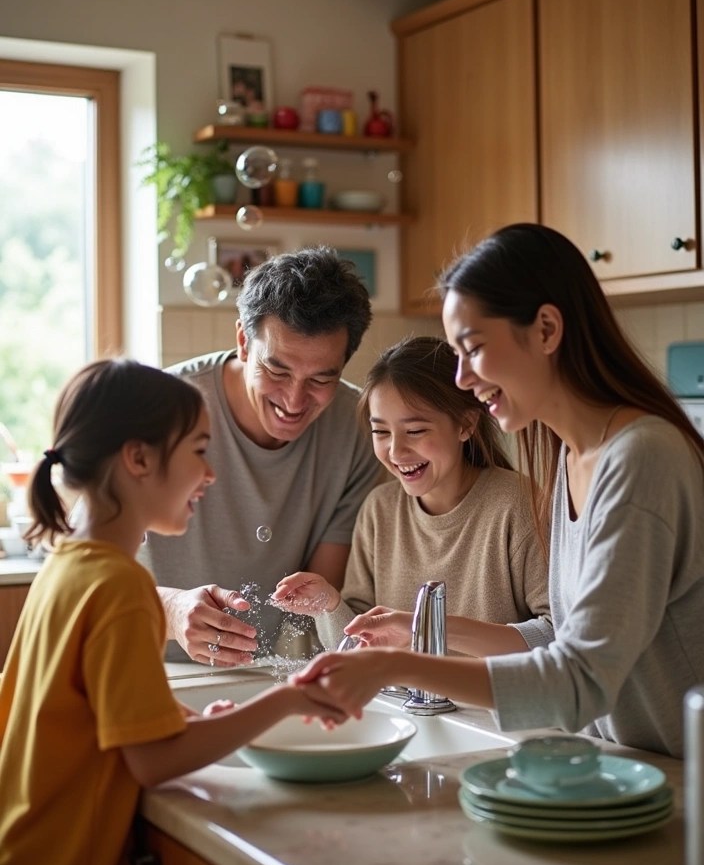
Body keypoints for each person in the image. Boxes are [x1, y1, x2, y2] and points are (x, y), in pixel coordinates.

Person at [292, 223, 704, 758]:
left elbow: (578, 680)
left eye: (474, 349)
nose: (462, 378)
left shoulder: (641, 458)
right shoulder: (572, 459)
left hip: (684, 776)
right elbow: (561, 642)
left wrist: (397, 665)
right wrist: (415, 633)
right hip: (626, 764)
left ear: (547, 329)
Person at [0, 359, 345, 865]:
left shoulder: (66, 566)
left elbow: (85, 712)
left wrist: (183, 721)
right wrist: (286, 700)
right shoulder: (121, 586)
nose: (209, 474)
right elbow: (153, 762)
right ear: (138, 459)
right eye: (199, 451)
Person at [139, 246, 380, 667]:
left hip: (260, 670)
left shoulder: (359, 428)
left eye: (321, 379)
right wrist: (172, 611)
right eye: (277, 370)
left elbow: (315, 598)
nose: (294, 400)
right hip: (148, 665)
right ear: (243, 343)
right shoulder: (155, 411)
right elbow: (79, 576)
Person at [272, 336, 549, 650]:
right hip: (395, 687)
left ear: (465, 424)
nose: (396, 451)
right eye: (381, 432)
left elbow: (557, 636)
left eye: (415, 431)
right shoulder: (379, 510)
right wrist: (329, 604)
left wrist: (426, 628)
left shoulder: (519, 503)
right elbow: (355, 647)